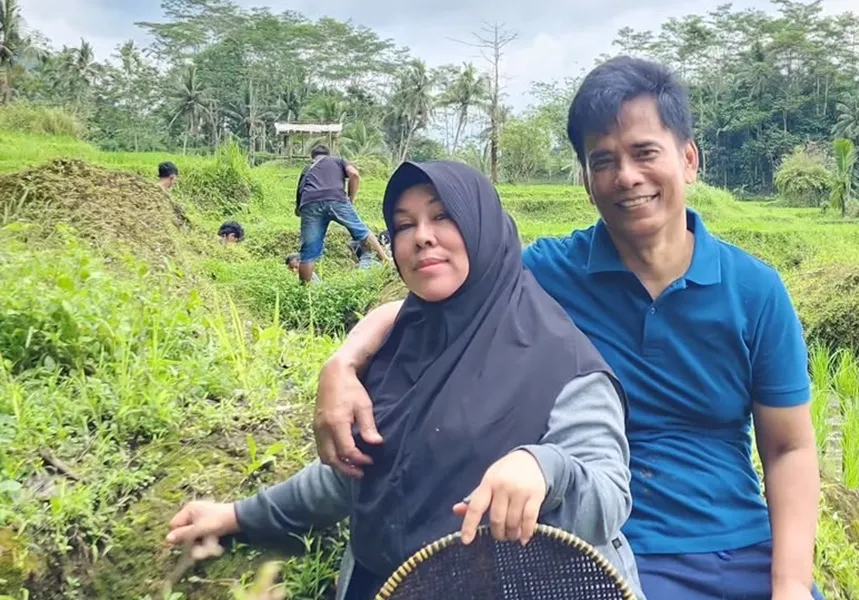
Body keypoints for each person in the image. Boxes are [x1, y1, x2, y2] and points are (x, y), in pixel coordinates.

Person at [311, 56, 823, 600]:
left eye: (645, 152)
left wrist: (789, 584)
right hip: (596, 543)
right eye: (603, 160)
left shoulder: (756, 291)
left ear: (689, 159)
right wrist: (341, 365)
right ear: (586, 180)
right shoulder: (548, 273)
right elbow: (435, 307)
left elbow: (789, 448)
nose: (626, 176)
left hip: (735, 542)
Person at [166, 160, 642, 600]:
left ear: (483, 227)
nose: (422, 237)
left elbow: (607, 500)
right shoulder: (401, 344)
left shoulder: (561, 361)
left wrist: (544, 467)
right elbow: (359, 472)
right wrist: (236, 517)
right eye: (404, 225)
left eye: (442, 217)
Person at [295, 145, 390, 284]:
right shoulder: (338, 160)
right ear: (329, 154)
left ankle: (305, 291)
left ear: (312, 157)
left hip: (310, 203)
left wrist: (301, 209)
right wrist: (351, 199)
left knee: (308, 251)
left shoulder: (308, 168)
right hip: (336, 199)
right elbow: (354, 174)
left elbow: (300, 192)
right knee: (361, 231)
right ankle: (386, 262)